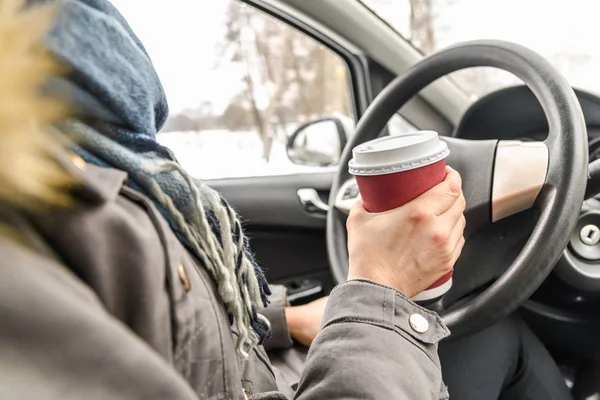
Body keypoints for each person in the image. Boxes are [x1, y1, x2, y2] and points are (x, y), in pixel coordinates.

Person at [0, 1, 571, 399]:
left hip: (260, 372)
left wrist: (283, 320)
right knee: (501, 341)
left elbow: (149, 319)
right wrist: (384, 289)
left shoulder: (86, 162)